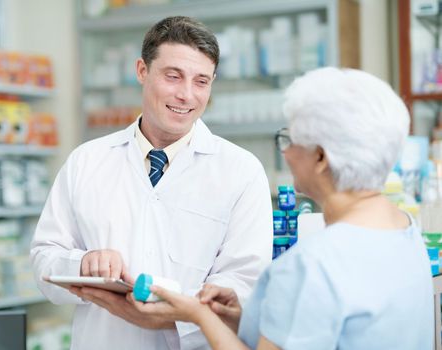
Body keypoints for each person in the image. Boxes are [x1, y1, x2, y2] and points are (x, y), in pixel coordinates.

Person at [132, 67, 434, 349]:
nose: (286, 152)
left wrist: (199, 315)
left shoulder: (310, 266)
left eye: (290, 140)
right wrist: (244, 318)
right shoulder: (406, 229)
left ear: (320, 158)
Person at [30, 16, 273, 350]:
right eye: (173, 76)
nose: (187, 94)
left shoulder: (241, 171)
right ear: (142, 71)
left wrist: (175, 313)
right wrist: (82, 264)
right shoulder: (86, 162)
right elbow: (44, 258)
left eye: (201, 81)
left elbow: (244, 284)